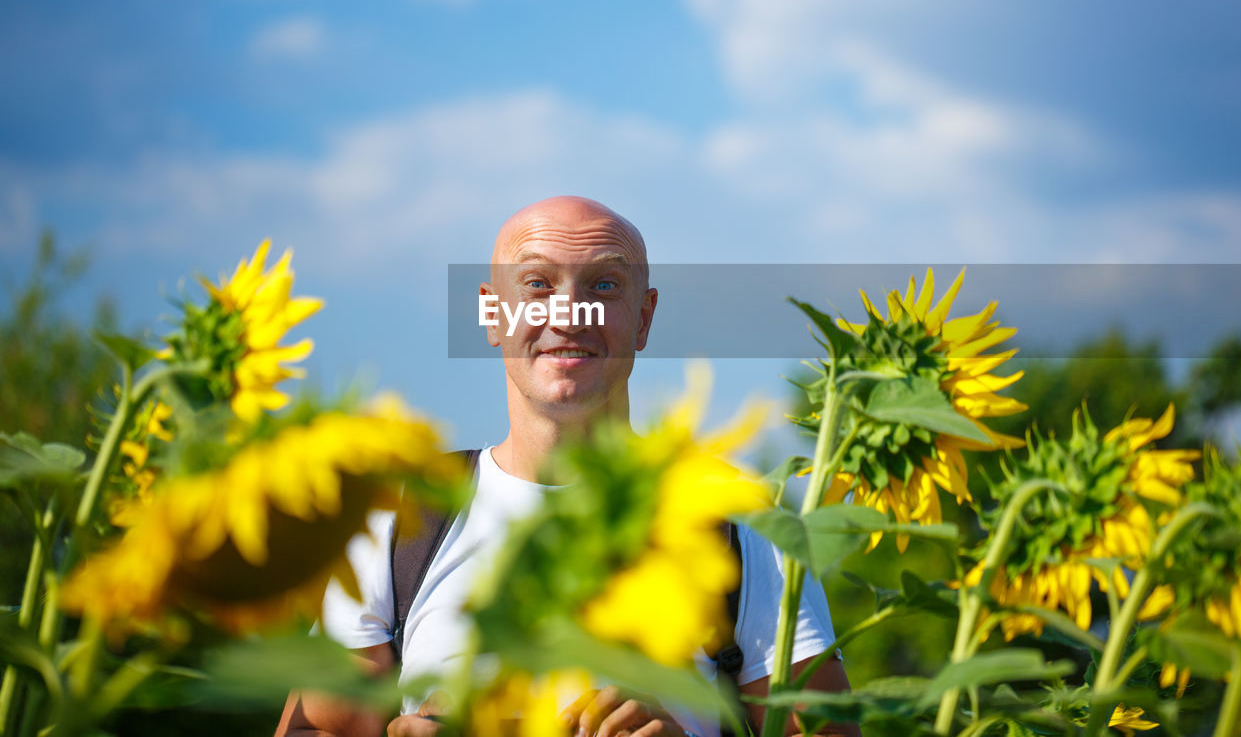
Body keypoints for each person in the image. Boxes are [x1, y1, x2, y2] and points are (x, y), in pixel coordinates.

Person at [277, 196, 856, 737]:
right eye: (536, 284)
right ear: (491, 312)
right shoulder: (402, 513)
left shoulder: (731, 513)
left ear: (645, 317)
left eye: (604, 285)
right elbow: (317, 724)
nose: (570, 314)